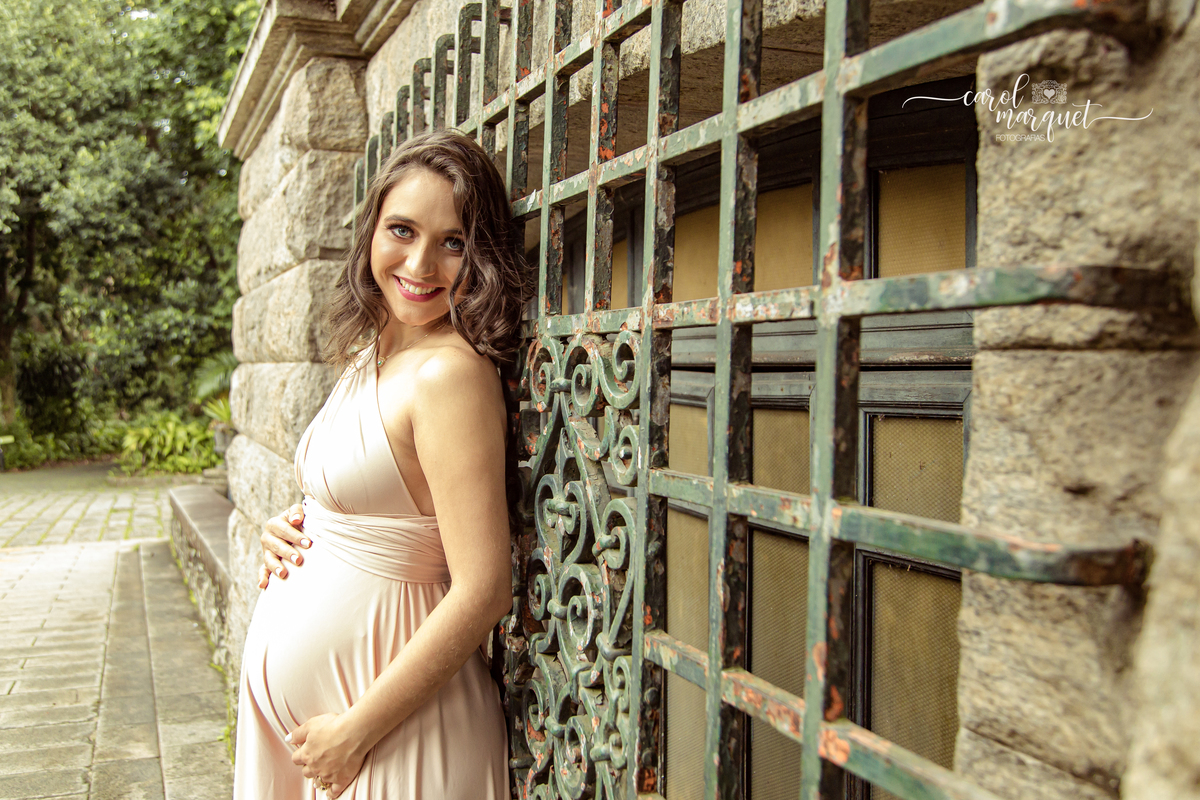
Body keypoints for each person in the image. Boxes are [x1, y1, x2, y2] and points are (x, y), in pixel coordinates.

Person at [233, 130, 531, 799]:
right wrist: (293, 525)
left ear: (478, 255)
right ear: (371, 231)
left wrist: (356, 731)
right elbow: (385, 501)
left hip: (395, 736)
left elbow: (485, 589)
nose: (421, 263)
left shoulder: (449, 374)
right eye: (402, 230)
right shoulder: (373, 350)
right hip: (336, 740)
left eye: (453, 241)